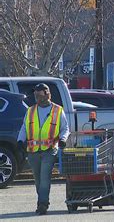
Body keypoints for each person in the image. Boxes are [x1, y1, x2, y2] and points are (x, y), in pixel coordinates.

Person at [17, 83, 70, 215]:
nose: (37, 98)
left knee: (45, 177)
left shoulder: (58, 110)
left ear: (47, 95)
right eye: (36, 95)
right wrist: (20, 140)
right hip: (33, 150)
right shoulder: (30, 111)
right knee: (38, 179)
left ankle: (42, 204)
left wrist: (63, 139)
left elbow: (65, 128)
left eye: (40, 95)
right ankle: (42, 200)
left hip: (50, 149)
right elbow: (24, 127)